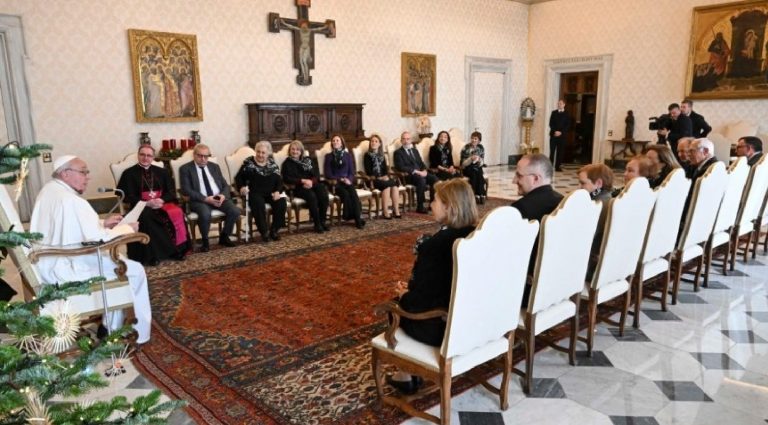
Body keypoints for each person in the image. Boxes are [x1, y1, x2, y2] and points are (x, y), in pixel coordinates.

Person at [30, 155, 151, 344]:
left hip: (47, 260)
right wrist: (127, 229)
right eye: (83, 172)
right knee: (132, 269)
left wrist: (103, 223)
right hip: (65, 266)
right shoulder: (72, 200)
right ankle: (135, 332)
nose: (88, 177)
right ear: (65, 173)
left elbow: (71, 228)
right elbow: (96, 241)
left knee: (116, 261)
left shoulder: (49, 190)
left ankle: (110, 324)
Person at [385, 179, 478, 394]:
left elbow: (420, 302)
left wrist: (405, 294)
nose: (430, 205)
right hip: (473, 320)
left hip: (443, 328)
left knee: (394, 307)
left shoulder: (435, 245)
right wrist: (413, 287)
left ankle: (405, 375)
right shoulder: (475, 235)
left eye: (435, 201)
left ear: (449, 207)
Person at [117, 145, 188, 266]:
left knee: (177, 212)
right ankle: (152, 256)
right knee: (147, 217)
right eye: (142, 155)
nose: (145, 158)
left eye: (149, 155)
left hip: (161, 204)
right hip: (140, 206)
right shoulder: (128, 173)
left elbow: (171, 192)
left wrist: (161, 200)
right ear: (138, 155)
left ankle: (176, 251)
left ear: (153, 157)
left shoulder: (162, 172)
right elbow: (127, 197)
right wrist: (147, 203)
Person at [512, 154, 564, 305]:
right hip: (558, 284)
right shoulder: (563, 202)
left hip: (528, 291)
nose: (514, 180)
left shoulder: (521, 209)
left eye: (519, 175)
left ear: (535, 178)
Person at [179, 144, 240, 252]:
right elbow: (186, 190)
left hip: (218, 197)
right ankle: (205, 241)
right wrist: (206, 199)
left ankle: (224, 236)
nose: (203, 159)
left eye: (206, 156)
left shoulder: (214, 167)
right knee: (205, 213)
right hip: (200, 200)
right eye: (200, 156)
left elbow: (225, 185)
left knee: (235, 211)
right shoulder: (185, 169)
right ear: (194, 155)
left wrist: (222, 195)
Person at [235, 141, 287, 242]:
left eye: (263, 153)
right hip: (255, 192)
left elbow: (279, 181)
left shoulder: (272, 164)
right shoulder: (248, 163)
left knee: (281, 202)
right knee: (258, 203)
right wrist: (241, 187)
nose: (260, 154)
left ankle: (274, 230)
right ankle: (264, 232)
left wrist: (277, 191)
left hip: (271, 192)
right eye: (258, 152)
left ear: (268, 154)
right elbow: (239, 177)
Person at [281, 140, 330, 233]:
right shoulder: (287, 163)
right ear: (289, 151)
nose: (295, 151)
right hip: (297, 187)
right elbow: (287, 178)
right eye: (293, 149)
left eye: (297, 149)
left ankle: (323, 221)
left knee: (323, 193)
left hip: (312, 183)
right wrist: (302, 181)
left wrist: (311, 181)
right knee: (312, 196)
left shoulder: (307, 160)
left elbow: (316, 174)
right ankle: (317, 224)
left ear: (301, 151)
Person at [577, 163, 615, 280]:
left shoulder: (596, 206)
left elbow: (582, 239)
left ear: (598, 183)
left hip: (589, 266)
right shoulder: (610, 199)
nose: (579, 188)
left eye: (583, 183)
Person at [324, 134, 365, 229]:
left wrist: (349, 180)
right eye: (333, 141)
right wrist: (340, 179)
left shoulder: (348, 155)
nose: (335, 142)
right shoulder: (328, 156)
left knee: (354, 195)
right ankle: (351, 217)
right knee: (346, 194)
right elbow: (328, 173)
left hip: (347, 182)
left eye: (337, 140)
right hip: (336, 184)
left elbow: (352, 172)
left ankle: (357, 219)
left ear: (342, 143)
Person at [394, 131, 438, 213]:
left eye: (408, 139)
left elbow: (421, 163)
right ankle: (420, 207)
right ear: (401, 141)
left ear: (410, 140)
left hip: (420, 173)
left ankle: (432, 204)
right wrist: (417, 172)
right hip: (408, 175)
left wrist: (424, 170)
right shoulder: (398, 153)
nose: (406, 141)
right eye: (404, 139)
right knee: (422, 180)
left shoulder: (415, 151)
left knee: (434, 179)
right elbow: (401, 167)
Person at [364, 134, 401, 219]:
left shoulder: (382, 156)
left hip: (383, 178)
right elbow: (368, 171)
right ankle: (385, 211)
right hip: (373, 179)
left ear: (379, 144)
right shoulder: (367, 155)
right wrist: (379, 177)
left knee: (395, 186)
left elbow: (385, 170)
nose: (373, 143)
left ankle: (396, 210)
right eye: (372, 141)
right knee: (387, 186)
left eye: (376, 141)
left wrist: (386, 176)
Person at [461, 131, 487, 204]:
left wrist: (479, 160)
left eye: (475, 139)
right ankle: (480, 193)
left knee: (478, 172)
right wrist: (470, 159)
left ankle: (477, 194)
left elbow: (482, 161)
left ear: (479, 140)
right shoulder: (466, 147)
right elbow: (463, 164)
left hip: (477, 167)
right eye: (472, 138)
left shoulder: (481, 147)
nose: (473, 140)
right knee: (475, 172)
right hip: (467, 168)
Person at [548, 99, 571, 172]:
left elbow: (568, 125)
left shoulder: (567, 114)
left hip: (562, 136)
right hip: (553, 135)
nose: (559, 105)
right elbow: (551, 123)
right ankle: (550, 167)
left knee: (560, 152)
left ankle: (557, 167)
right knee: (552, 151)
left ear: (564, 104)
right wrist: (555, 131)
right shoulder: (553, 112)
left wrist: (561, 132)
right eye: (558, 103)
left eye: (560, 103)